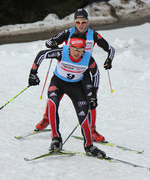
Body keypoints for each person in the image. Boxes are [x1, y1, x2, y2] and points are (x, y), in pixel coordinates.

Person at [35, 8, 115, 142]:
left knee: (91, 100)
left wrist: (109, 60)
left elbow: (111, 49)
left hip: (84, 72)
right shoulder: (69, 32)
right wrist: (53, 43)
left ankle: (92, 130)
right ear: (74, 22)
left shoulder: (93, 35)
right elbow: (48, 43)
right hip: (67, 68)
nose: (81, 25)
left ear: (87, 22)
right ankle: (47, 119)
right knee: (54, 97)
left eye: (83, 22)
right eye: (78, 22)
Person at [28, 32, 106, 158]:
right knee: (52, 104)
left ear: (84, 49)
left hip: (76, 86)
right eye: (74, 49)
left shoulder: (88, 59)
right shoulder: (61, 52)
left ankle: (89, 146)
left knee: (84, 114)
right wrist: (33, 73)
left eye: (80, 50)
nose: (76, 53)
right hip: (58, 82)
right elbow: (41, 55)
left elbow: (96, 74)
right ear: (69, 47)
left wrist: (93, 96)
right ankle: (56, 139)